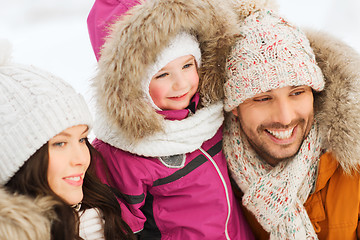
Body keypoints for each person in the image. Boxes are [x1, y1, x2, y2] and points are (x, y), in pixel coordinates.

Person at [86, 0, 273, 238]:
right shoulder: (123, 152)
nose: (181, 84)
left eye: (187, 65)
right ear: (132, 85)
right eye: (162, 74)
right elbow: (122, 231)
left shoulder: (209, 115)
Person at [222, 7, 360, 240]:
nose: (285, 117)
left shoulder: (353, 167)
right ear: (235, 106)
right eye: (263, 98)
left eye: (297, 92)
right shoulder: (213, 182)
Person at [0, 40, 135, 240]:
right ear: (15, 158)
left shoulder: (104, 218)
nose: (81, 159)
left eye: (82, 140)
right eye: (60, 143)